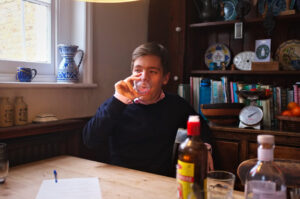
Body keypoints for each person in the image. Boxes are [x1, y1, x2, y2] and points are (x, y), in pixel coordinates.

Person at [82, 42, 213, 176]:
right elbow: (90, 140)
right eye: (138, 70)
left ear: (165, 78)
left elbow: (200, 125)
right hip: (121, 179)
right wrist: (119, 99)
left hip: (160, 181)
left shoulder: (176, 105)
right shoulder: (116, 104)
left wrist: (204, 148)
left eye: (152, 71)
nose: (144, 77)